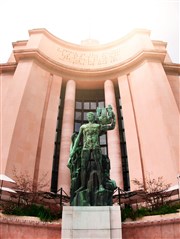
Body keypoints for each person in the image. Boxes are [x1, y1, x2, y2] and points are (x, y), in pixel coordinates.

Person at [70, 110, 116, 193]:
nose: (89, 117)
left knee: (99, 166)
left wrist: (113, 117)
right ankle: (83, 186)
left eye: (91, 116)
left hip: (95, 146)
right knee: (83, 166)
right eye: (88, 116)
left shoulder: (98, 126)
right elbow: (78, 139)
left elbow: (112, 126)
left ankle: (101, 185)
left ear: (94, 117)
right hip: (86, 147)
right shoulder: (83, 127)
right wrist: (73, 150)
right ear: (87, 118)